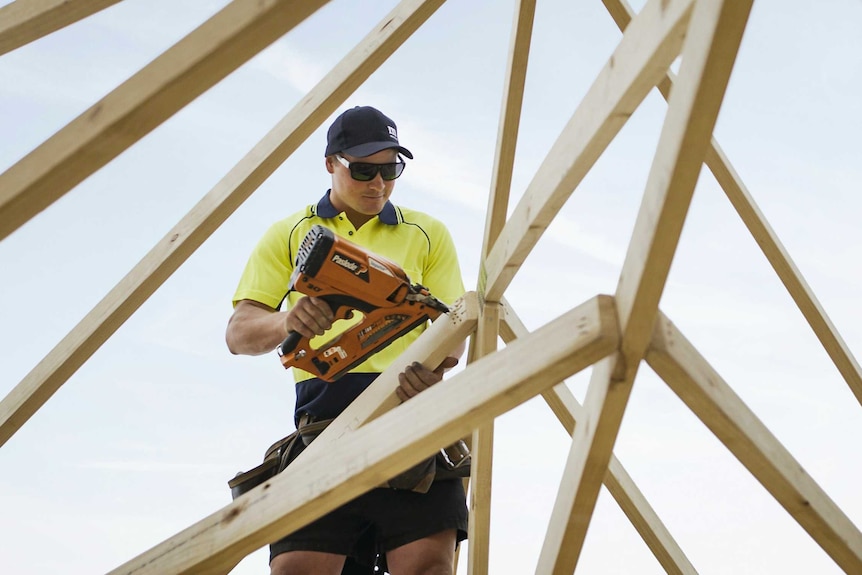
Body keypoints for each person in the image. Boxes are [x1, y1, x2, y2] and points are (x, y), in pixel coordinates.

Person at [225, 105, 468, 575]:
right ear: (330, 163)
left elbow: (453, 326)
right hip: (323, 423)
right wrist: (288, 321)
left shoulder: (428, 234)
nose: (378, 183)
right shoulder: (290, 233)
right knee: (299, 569)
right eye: (363, 170)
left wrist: (437, 368)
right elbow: (239, 334)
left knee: (426, 567)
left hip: (412, 417)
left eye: (390, 169)